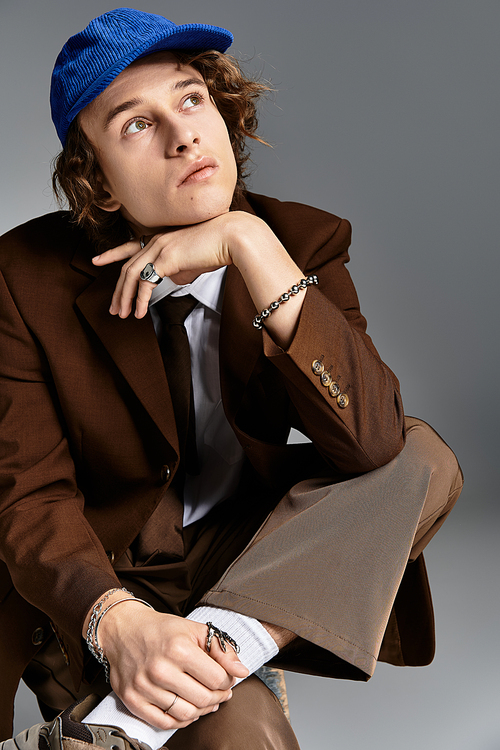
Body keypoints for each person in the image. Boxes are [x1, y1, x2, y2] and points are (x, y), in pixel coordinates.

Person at [0, 8, 463, 750]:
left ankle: (161, 692)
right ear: (103, 185)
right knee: (250, 738)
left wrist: (248, 243)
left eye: (190, 99)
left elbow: (373, 442)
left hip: (241, 570)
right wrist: (118, 625)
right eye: (136, 125)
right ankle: (149, 688)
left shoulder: (300, 242)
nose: (183, 134)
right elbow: (29, 499)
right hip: (99, 581)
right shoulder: (23, 278)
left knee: (423, 455)